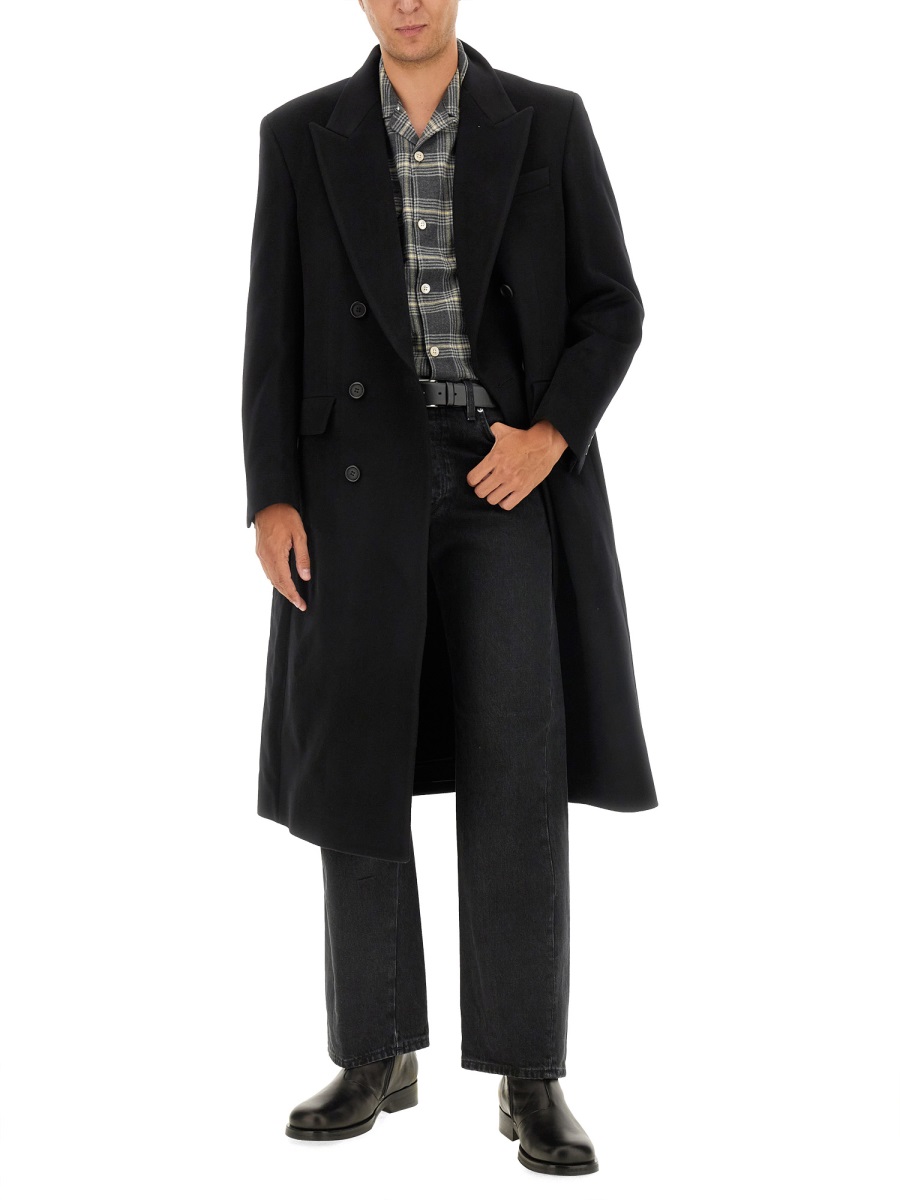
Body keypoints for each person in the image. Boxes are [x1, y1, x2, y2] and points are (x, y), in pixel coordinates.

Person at [241, 0, 657, 1177]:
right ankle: (375, 1050)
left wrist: (551, 435)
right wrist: (270, 496)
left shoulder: (549, 122)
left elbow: (612, 307)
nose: (410, 2)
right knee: (355, 762)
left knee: (519, 762)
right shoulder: (298, 134)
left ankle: (530, 1073)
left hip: (503, 475)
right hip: (351, 490)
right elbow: (274, 327)